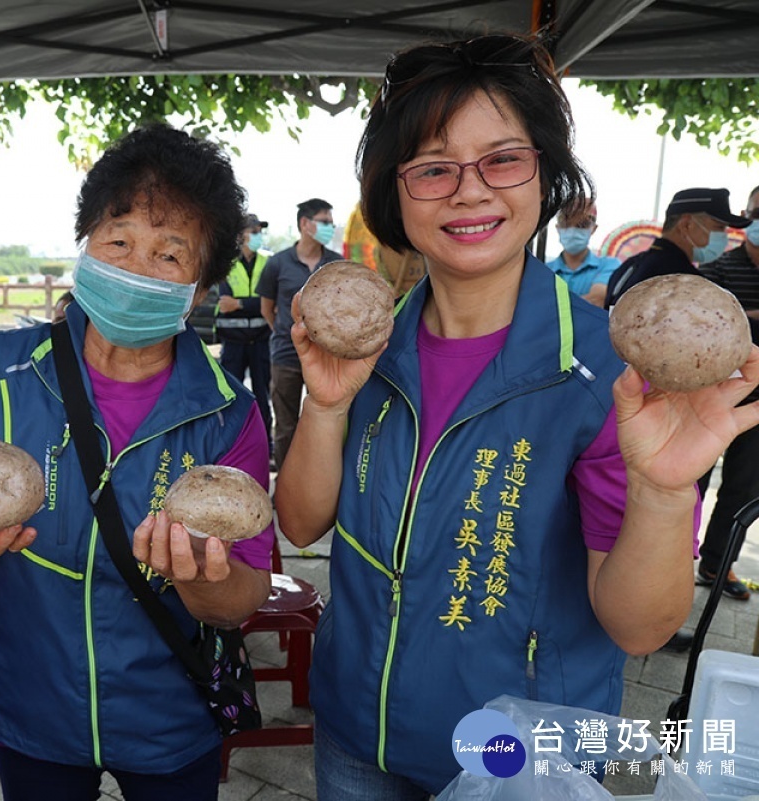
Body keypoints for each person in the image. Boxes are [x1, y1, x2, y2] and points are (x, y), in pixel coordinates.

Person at [272, 34, 759, 799]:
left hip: (520, 758)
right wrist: (325, 404)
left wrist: (666, 491)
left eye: (503, 158)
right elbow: (299, 526)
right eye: (433, 168)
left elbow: (638, 629)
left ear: (545, 177)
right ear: (395, 192)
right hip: (356, 736)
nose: (469, 191)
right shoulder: (365, 345)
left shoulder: (609, 373)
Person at [0, 124, 274, 801]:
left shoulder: (230, 412)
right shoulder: (2, 370)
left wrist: (199, 580)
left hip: (171, 717)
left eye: (170, 254)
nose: (136, 268)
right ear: (84, 248)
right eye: (118, 243)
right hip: (30, 703)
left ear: (200, 290)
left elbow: (246, 593)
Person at [694, 184, 759, 601]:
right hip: (712, 393)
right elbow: (703, 318)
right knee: (691, 478)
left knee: (745, 486)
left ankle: (720, 563)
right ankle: (672, 556)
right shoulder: (719, 269)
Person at [256, 198, 343, 470]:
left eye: (331, 222)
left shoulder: (336, 264)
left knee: (326, 423)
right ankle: (285, 482)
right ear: (305, 224)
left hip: (326, 358)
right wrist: (288, 334)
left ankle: (320, 483)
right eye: (324, 222)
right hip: (286, 357)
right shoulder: (278, 264)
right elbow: (267, 309)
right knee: (286, 425)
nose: (330, 227)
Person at [604, 187, 750, 308]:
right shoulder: (684, 280)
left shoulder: (629, 266)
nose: (723, 235)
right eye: (718, 227)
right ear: (686, 225)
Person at [216, 212, 273, 456]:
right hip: (233, 343)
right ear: (240, 236)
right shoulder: (224, 264)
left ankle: (265, 447)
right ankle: (230, 447)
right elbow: (224, 302)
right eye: (254, 231)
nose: (258, 235)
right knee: (231, 397)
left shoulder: (269, 262)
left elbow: (271, 301)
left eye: (260, 231)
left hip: (261, 341)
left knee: (263, 397)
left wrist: (240, 304)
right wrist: (255, 303)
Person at [546, 199, 620, 307]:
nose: (572, 230)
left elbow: (596, 300)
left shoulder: (609, 266)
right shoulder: (544, 270)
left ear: (593, 229)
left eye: (582, 224)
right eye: (566, 223)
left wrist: (551, 306)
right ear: (558, 228)